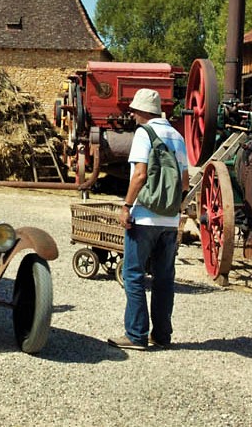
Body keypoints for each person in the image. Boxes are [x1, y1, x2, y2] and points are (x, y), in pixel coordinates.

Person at [109, 88, 188, 352]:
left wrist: (126, 206)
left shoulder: (144, 134)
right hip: (169, 219)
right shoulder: (177, 136)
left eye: (133, 110)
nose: (131, 114)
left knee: (133, 275)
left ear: (142, 112)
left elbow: (140, 175)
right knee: (164, 279)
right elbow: (185, 181)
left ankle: (136, 335)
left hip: (144, 218)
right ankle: (162, 335)